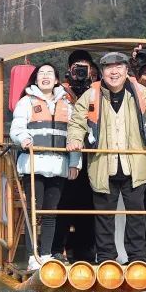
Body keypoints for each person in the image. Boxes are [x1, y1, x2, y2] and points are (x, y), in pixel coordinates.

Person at [66, 51, 146, 263]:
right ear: (102, 72)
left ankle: (138, 258)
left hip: (135, 164)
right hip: (103, 163)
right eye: (109, 68)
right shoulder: (91, 94)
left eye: (118, 67)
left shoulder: (140, 93)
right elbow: (77, 122)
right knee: (104, 216)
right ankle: (106, 258)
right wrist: (74, 140)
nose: (114, 72)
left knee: (136, 215)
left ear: (126, 70)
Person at [10, 63, 81, 271]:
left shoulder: (67, 103)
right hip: (34, 164)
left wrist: (75, 162)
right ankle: (33, 255)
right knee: (34, 210)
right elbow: (17, 127)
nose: (45, 77)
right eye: (41, 74)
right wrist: (23, 138)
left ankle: (48, 254)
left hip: (58, 164)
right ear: (35, 79)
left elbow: (75, 134)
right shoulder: (27, 101)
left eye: (50, 73)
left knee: (51, 211)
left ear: (57, 79)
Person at [52, 50, 97, 262]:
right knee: (63, 204)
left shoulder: (98, 92)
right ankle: (57, 249)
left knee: (89, 205)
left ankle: (84, 253)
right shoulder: (59, 92)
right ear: (69, 69)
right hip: (65, 156)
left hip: (92, 158)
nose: (80, 71)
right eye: (76, 67)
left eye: (85, 67)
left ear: (92, 71)